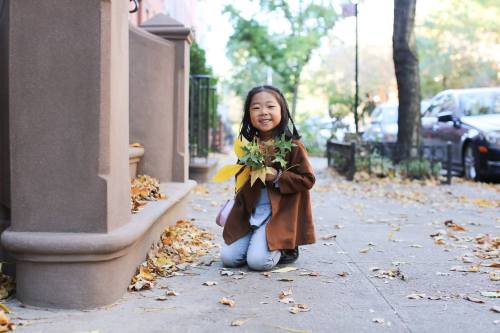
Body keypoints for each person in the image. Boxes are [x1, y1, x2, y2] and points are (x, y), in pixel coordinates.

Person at [220, 85, 316, 271]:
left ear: (282, 110)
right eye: (256, 108)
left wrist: (277, 176)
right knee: (229, 259)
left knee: (258, 262)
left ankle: (285, 248)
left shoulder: (293, 146)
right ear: (248, 115)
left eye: (270, 107)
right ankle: (257, 240)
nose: (263, 112)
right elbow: (241, 182)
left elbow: (307, 179)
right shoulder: (247, 148)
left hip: (278, 215)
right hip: (251, 212)